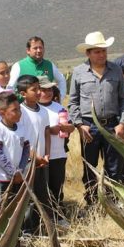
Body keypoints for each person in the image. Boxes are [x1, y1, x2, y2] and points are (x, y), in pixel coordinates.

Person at [68, 31, 124, 206]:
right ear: (88, 53)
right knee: (90, 167)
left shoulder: (116, 70)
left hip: (112, 125)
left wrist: (123, 123)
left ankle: (113, 202)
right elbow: (73, 102)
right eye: (97, 51)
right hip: (89, 127)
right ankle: (92, 202)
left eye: (103, 51)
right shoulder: (79, 72)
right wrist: (79, 125)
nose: (101, 54)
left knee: (113, 167)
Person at [16, 74, 51, 233]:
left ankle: (41, 226)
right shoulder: (20, 112)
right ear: (23, 93)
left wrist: (46, 154)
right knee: (29, 197)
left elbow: (47, 133)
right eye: (34, 89)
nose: (38, 92)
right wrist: (33, 156)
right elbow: (21, 139)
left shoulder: (43, 111)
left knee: (43, 194)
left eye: (39, 88)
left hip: (42, 160)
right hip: (28, 161)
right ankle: (27, 230)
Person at [38, 76, 74, 228]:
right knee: (41, 188)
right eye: (43, 90)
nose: (47, 93)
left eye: (50, 89)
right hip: (40, 156)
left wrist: (68, 128)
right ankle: (41, 218)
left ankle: (58, 216)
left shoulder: (59, 108)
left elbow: (70, 127)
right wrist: (50, 130)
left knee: (56, 187)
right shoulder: (30, 109)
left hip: (58, 154)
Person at [0, 93, 31, 205]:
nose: (19, 113)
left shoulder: (22, 128)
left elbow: (26, 151)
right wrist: (13, 173)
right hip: (2, 178)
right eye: (15, 110)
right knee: (2, 208)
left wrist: (20, 171)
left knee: (17, 206)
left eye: (19, 109)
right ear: (2, 112)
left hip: (18, 176)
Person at [8, 36, 67, 100]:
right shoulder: (18, 66)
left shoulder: (50, 65)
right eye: (35, 48)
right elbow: (10, 88)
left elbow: (61, 80)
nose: (39, 50)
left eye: (40, 48)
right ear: (28, 50)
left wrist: (60, 97)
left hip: (46, 107)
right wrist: (18, 100)